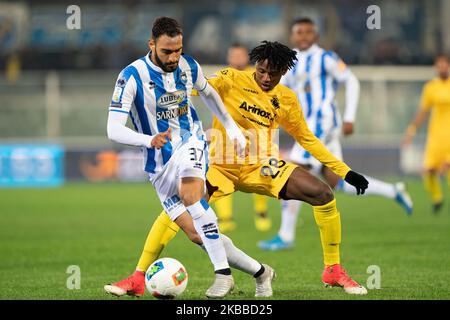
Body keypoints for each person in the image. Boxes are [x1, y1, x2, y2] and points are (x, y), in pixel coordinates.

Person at [106, 40, 372, 296]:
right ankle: (138, 276)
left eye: (274, 74)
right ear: (255, 65)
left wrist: (345, 172)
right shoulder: (231, 78)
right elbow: (199, 86)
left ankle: (333, 270)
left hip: (263, 167)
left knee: (323, 193)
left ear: (284, 72)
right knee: (177, 209)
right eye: (262, 71)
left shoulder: (287, 99)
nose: (267, 78)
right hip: (220, 165)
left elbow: (307, 139)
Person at [104, 17, 274, 299]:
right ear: (152, 45)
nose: (174, 57)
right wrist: (148, 140)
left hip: (190, 143)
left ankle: (223, 275)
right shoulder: (131, 76)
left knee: (192, 196)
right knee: (198, 234)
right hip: (158, 166)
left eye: (178, 50)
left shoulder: (188, 66)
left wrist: (232, 130)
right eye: (167, 51)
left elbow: (209, 94)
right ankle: (261, 272)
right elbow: (113, 129)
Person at [259, 17, 413, 251]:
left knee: (293, 170)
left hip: (322, 122)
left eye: (307, 32)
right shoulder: (289, 61)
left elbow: (351, 81)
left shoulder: (325, 58)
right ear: (292, 36)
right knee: (338, 182)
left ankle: (286, 235)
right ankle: (394, 191)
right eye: (298, 32)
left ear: (316, 35)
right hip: (307, 124)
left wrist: (350, 117)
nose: (303, 37)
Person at [213, 43, 271, 233]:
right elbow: (206, 91)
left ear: (247, 57)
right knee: (221, 177)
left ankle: (261, 212)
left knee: (260, 174)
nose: (237, 58)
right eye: (233, 55)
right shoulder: (223, 76)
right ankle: (225, 219)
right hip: (224, 137)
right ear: (229, 58)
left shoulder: (259, 78)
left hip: (253, 136)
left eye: (240, 54)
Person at [402, 54, 450, 213]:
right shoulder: (431, 87)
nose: (442, 68)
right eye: (439, 65)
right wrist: (411, 130)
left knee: (448, 168)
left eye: (445, 65)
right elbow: (423, 111)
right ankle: (437, 198)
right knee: (428, 171)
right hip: (436, 136)